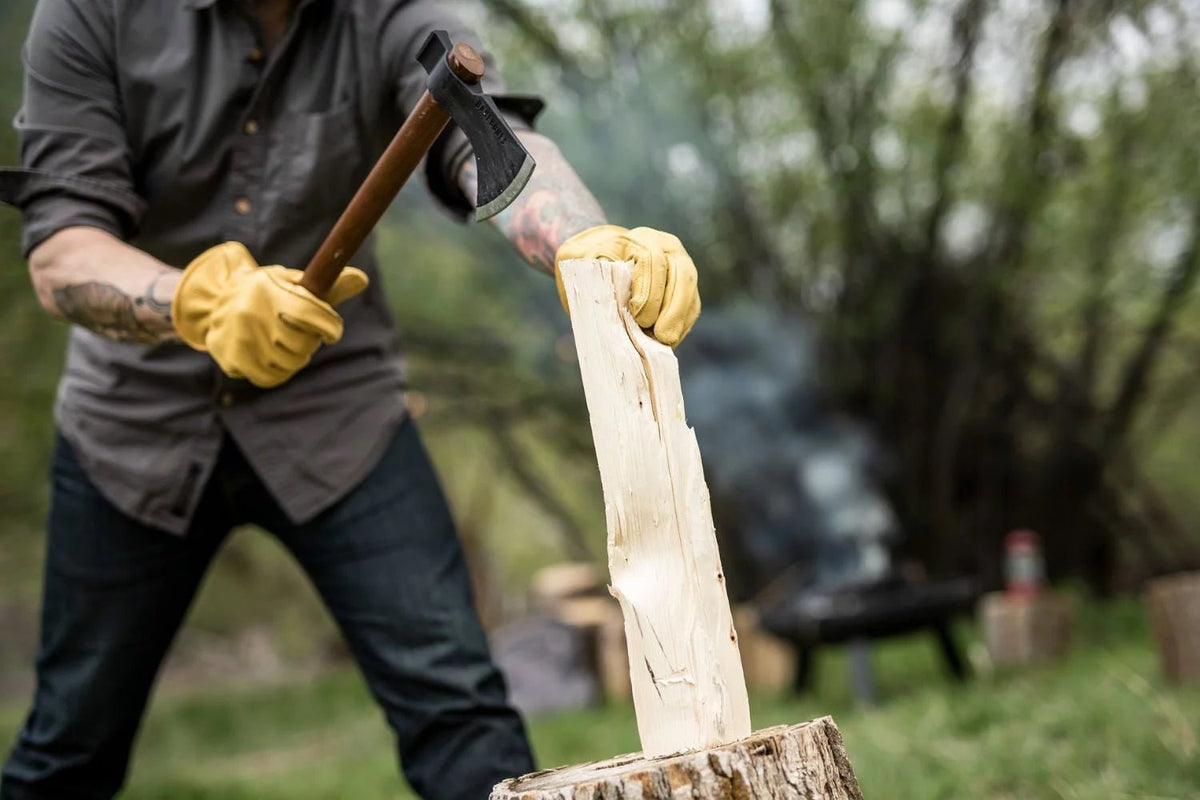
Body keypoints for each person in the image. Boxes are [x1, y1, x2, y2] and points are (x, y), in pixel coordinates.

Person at [0, 0, 701, 797]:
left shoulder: (393, 9)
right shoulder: (90, 13)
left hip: (339, 412)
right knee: (69, 747)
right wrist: (200, 303)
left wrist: (583, 245)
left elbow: (486, 138)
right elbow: (59, 250)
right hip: (131, 425)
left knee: (462, 718)